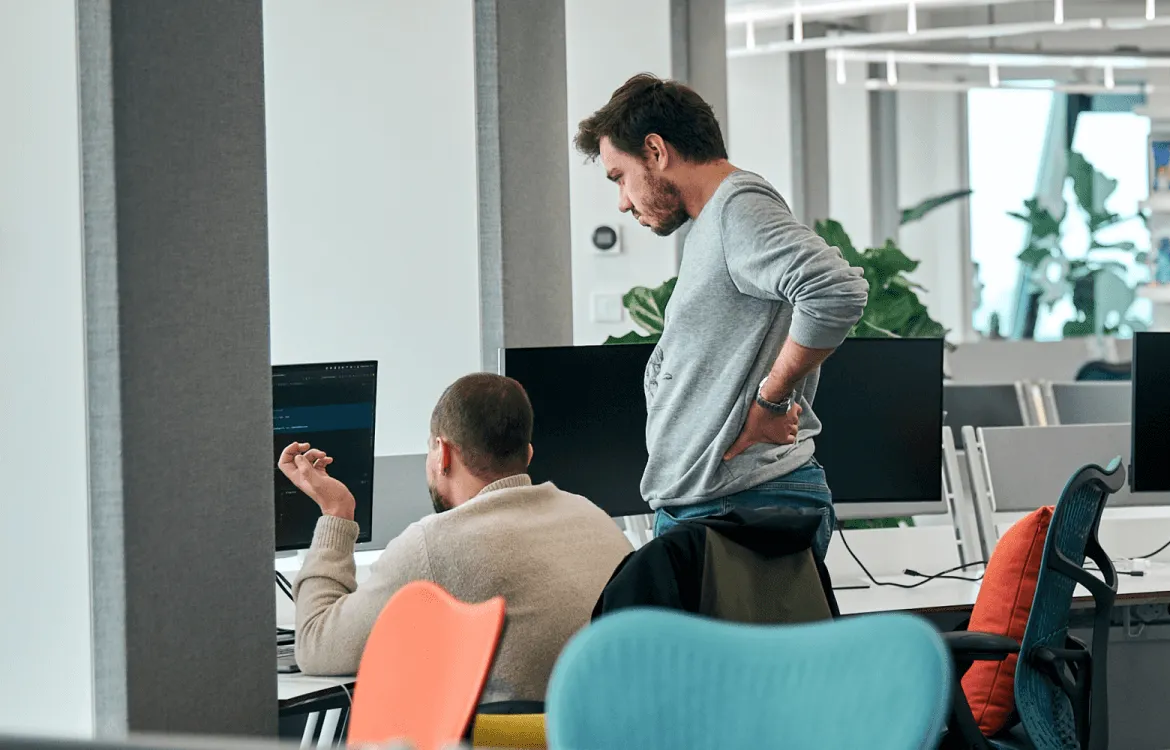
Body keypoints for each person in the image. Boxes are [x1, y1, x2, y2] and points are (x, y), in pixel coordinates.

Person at [574, 74, 868, 559]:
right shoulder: (713, 220)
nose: (623, 201)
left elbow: (834, 289)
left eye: (619, 177)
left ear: (655, 151)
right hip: (719, 503)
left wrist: (770, 401)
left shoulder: (737, 207)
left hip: (739, 504)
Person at [281, 373, 633, 702]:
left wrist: (336, 512)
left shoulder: (433, 544)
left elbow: (316, 644)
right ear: (527, 454)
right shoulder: (593, 516)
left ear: (443, 452)